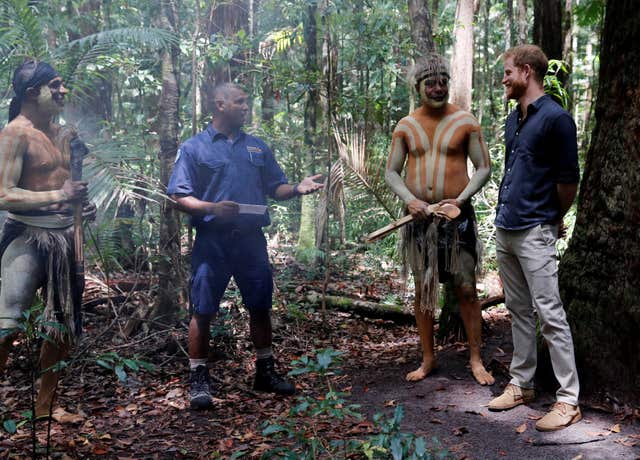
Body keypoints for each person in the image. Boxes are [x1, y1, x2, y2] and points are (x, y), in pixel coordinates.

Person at [168, 83, 324, 410]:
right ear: (219, 104)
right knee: (203, 309)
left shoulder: (257, 147)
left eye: (246, 101)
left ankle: (265, 372)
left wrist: (298, 187)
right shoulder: (195, 148)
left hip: (252, 242)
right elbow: (178, 196)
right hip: (212, 243)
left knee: (260, 305)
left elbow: (275, 187)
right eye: (239, 101)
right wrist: (211, 208)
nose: (246, 106)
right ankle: (199, 380)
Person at [385, 53, 494, 386]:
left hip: (457, 217)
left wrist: (460, 200)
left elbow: (484, 168)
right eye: (430, 83)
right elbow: (391, 172)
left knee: (466, 288)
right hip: (419, 219)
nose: (437, 88)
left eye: (442, 82)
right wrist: (410, 200)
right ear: (418, 87)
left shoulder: (466, 121)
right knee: (424, 291)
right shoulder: (406, 125)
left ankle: (476, 359)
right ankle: (428, 359)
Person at [488, 44, 581, 432]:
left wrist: (554, 218)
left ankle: (568, 400)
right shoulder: (514, 119)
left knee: (550, 315)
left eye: (508, 72)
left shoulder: (557, 119)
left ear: (526, 72)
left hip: (536, 230)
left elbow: (568, 181)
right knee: (519, 311)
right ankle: (522, 384)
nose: (504, 79)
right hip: (506, 228)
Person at [0, 60, 89, 417]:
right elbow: (3, 195)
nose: (63, 90)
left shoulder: (64, 134)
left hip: (65, 238)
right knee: (8, 322)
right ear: (32, 92)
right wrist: (59, 197)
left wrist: (83, 203)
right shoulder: (14, 135)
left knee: (62, 325)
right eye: (56, 84)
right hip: (27, 238)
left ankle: (45, 408)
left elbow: (68, 188)